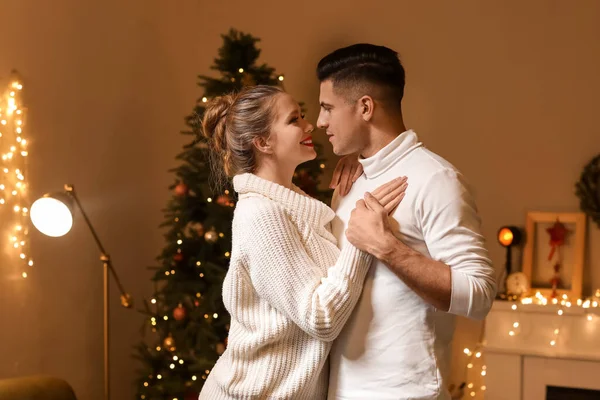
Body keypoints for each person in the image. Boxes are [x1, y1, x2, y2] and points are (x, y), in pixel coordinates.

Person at [197, 85, 408, 399]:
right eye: (294, 119)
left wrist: (357, 171)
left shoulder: (292, 205)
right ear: (263, 142)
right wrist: (360, 239)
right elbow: (320, 317)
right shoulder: (261, 215)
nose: (310, 125)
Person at [317, 44, 497, 399]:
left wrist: (387, 248)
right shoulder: (349, 179)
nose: (321, 121)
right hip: (340, 389)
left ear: (365, 107)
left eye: (328, 108)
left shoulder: (437, 180)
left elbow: (479, 294)